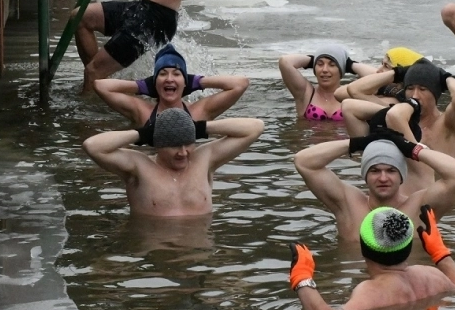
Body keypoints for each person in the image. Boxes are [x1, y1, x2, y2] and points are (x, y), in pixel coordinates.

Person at [287, 206, 455, 310]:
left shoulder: (370, 292)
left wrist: (303, 279)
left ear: (364, 247)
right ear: (407, 245)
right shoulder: (432, 275)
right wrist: (441, 254)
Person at [82, 108, 264, 217]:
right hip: (155, 254)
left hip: (199, 255)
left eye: (189, 144)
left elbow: (255, 127)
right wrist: (143, 134)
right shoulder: (139, 167)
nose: (183, 152)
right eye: (174, 146)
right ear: (158, 145)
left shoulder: (205, 159)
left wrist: (199, 128)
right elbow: (92, 146)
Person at [293, 131, 455, 241]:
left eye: (391, 170)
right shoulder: (348, 205)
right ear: (365, 176)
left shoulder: (418, 208)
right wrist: (357, 143)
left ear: (402, 175)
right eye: (375, 171)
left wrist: (412, 149)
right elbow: (304, 161)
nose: (383, 178)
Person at [342, 58, 455, 189]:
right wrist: (398, 73)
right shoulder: (395, 116)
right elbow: (353, 94)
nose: (415, 95)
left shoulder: (448, 123)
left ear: (435, 93)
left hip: (434, 200)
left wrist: (445, 78)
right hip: (395, 201)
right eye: (410, 88)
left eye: (423, 89)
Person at [93, 43, 249, 127]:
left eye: (176, 74)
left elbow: (240, 84)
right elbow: (100, 86)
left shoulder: (198, 112)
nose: (169, 79)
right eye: (162, 74)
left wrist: (197, 82)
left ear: (185, 82)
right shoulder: (142, 112)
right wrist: (142, 86)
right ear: (154, 82)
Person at [278, 45, 374, 121]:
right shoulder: (305, 93)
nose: (324, 70)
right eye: (320, 64)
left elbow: (378, 77)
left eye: (332, 65)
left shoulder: (353, 93)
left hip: (344, 145)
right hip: (310, 145)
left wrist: (349, 65)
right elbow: (285, 61)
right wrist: (313, 60)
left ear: (341, 70)